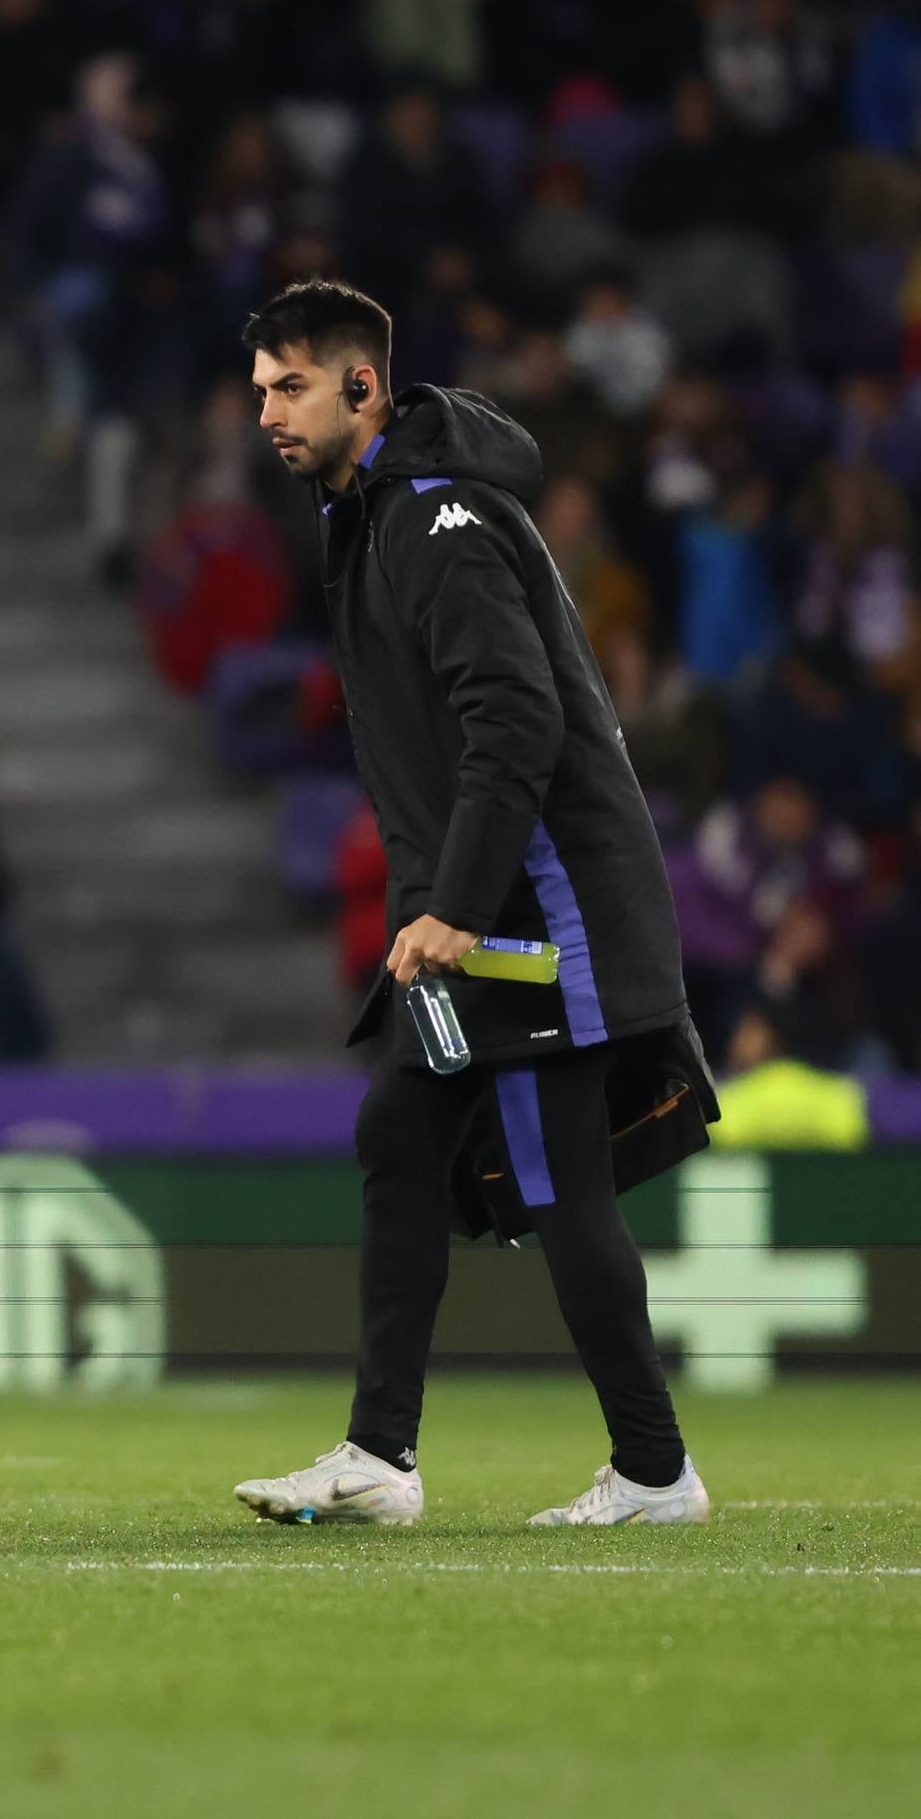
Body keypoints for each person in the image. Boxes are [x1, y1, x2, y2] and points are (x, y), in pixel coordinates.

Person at [230, 279, 719, 1530]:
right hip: (472, 911)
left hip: (538, 910)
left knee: (560, 1181)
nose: (269, 414)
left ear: (362, 387)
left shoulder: (435, 521)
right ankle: (381, 1459)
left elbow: (518, 723)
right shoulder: (374, 515)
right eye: (259, 392)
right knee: (399, 1138)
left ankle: (657, 1473)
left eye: (291, 388)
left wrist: (450, 907)